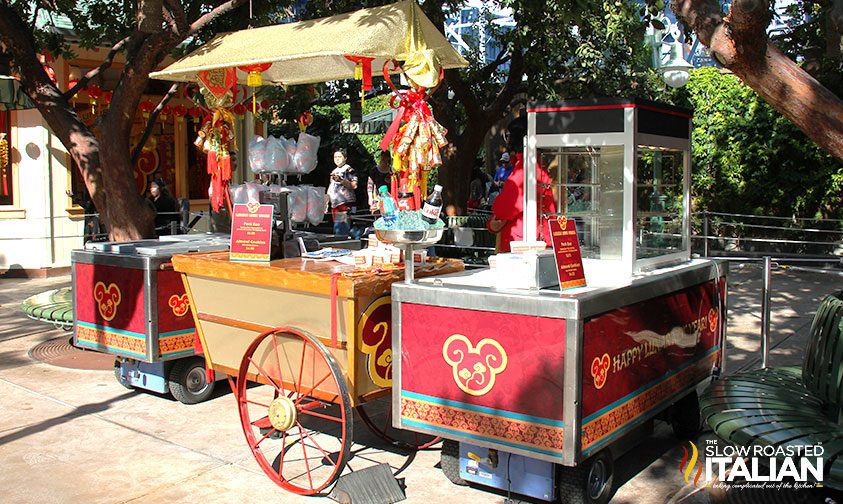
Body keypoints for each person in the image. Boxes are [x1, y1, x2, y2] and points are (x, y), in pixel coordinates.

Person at [486, 118, 557, 252]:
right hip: (540, 237)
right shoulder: (539, 167)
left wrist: (492, 224)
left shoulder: (523, 170)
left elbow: (504, 210)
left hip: (521, 243)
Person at [326, 148, 358, 236]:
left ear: (345, 158)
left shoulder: (348, 169)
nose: (337, 159)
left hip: (345, 204)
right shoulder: (334, 171)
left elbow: (354, 185)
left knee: (342, 231)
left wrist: (341, 180)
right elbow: (331, 187)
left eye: (339, 157)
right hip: (335, 205)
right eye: (335, 157)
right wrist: (326, 201)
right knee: (338, 229)